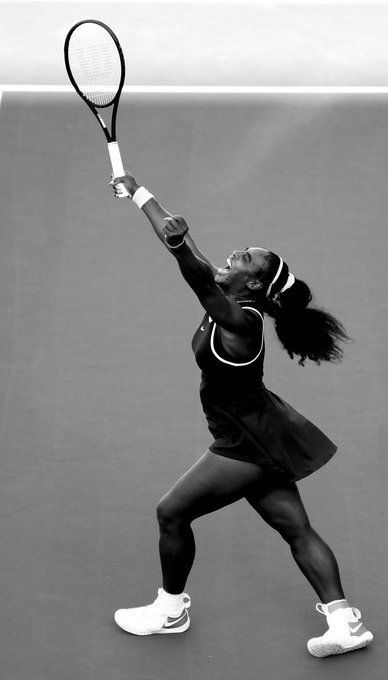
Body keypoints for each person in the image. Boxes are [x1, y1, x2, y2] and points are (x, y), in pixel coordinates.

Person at [109, 173, 373, 657]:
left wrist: (178, 248)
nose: (234, 255)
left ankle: (170, 609)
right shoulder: (231, 295)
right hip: (265, 431)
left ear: (252, 282)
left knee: (171, 512)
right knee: (296, 529)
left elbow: (191, 269)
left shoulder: (240, 321)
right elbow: (191, 252)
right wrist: (141, 195)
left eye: (245, 259)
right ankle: (344, 622)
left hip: (243, 443)